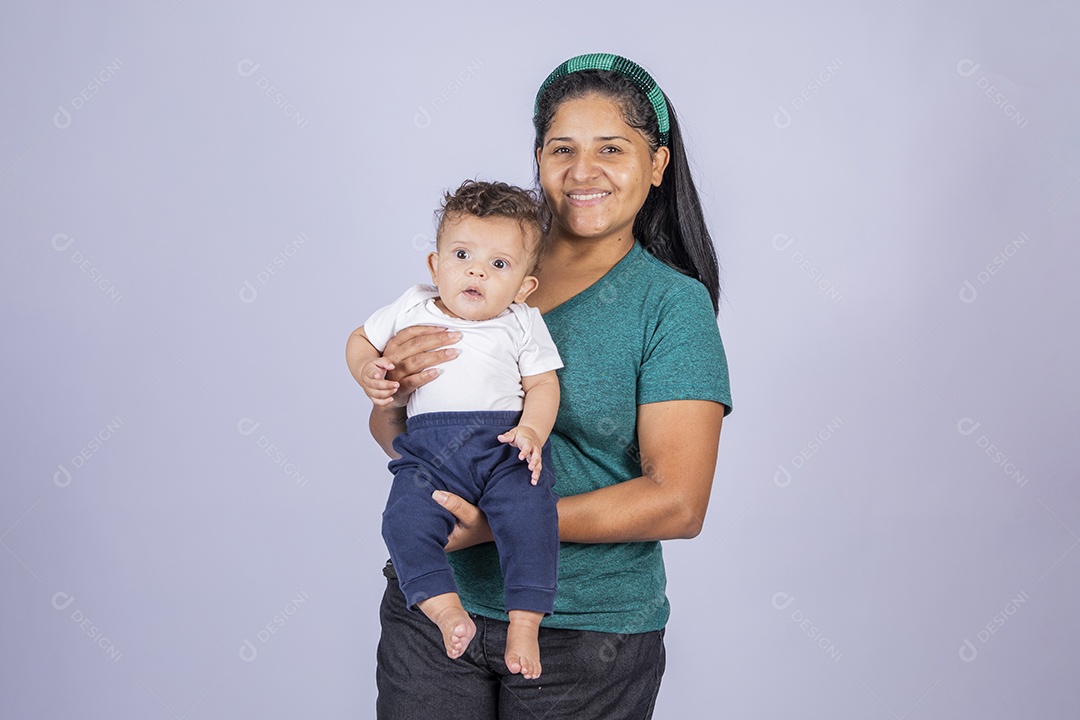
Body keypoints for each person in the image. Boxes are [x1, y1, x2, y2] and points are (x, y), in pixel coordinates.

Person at [364, 53, 732, 720]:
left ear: (656, 164)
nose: (583, 171)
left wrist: (495, 527)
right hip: (434, 614)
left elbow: (678, 501)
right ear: (537, 158)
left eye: (612, 149)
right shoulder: (478, 267)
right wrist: (389, 391)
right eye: (562, 148)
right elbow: (395, 423)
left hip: (585, 636)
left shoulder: (670, 306)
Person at [346, 180, 563, 679]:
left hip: (504, 448)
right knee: (401, 522)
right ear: (434, 264)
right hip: (428, 454)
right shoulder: (412, 305)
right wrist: (367, 373)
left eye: (499, 265)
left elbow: (544, 386)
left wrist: (531, 432)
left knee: (532, 517)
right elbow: (360, 338)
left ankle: (525, 622)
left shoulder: (523, 323)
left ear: (524, 286)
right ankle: (446, 611)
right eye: (462, 253)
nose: (476, 271)